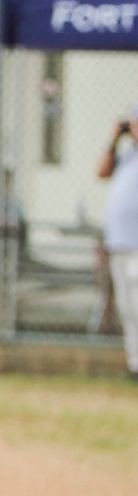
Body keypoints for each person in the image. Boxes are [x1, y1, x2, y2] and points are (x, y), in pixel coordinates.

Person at [98, 105, 138, 379]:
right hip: (119, 243)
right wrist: (114, 138)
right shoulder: (125, 156)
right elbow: (101, 171)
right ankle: (135, 364)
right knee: (126, 307)